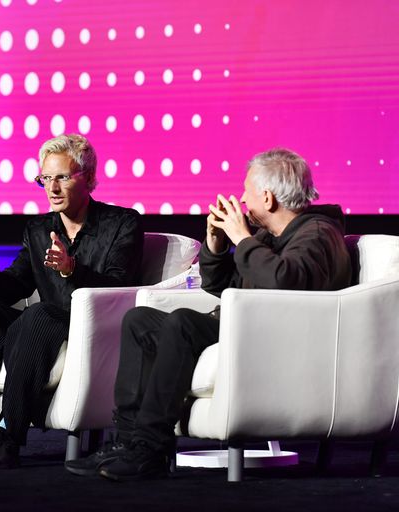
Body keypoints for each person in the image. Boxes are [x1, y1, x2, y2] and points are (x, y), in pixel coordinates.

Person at [65, 147, 353, 481]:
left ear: (268, 198)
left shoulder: (317, 234)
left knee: (183, 323)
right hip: (249, 324)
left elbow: (283, 281)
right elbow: (220, 285)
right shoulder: (270, 236)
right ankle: (128, 441)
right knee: (140, 320)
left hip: (279, 335)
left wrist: (242, 238)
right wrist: (216, 245)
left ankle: (150, 449)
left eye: (248, 193)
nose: (242, 201)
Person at [0, 134, 143, 469]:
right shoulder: (38, 229)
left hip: (87, 327)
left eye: (62, 177)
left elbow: (119, 286)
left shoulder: (122, 223)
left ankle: (7, 434)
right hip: (38, 325)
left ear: (89, 178)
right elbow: (12, 288)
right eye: (46, 178)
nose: (52, 188)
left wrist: (71, 270)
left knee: (38, 314)